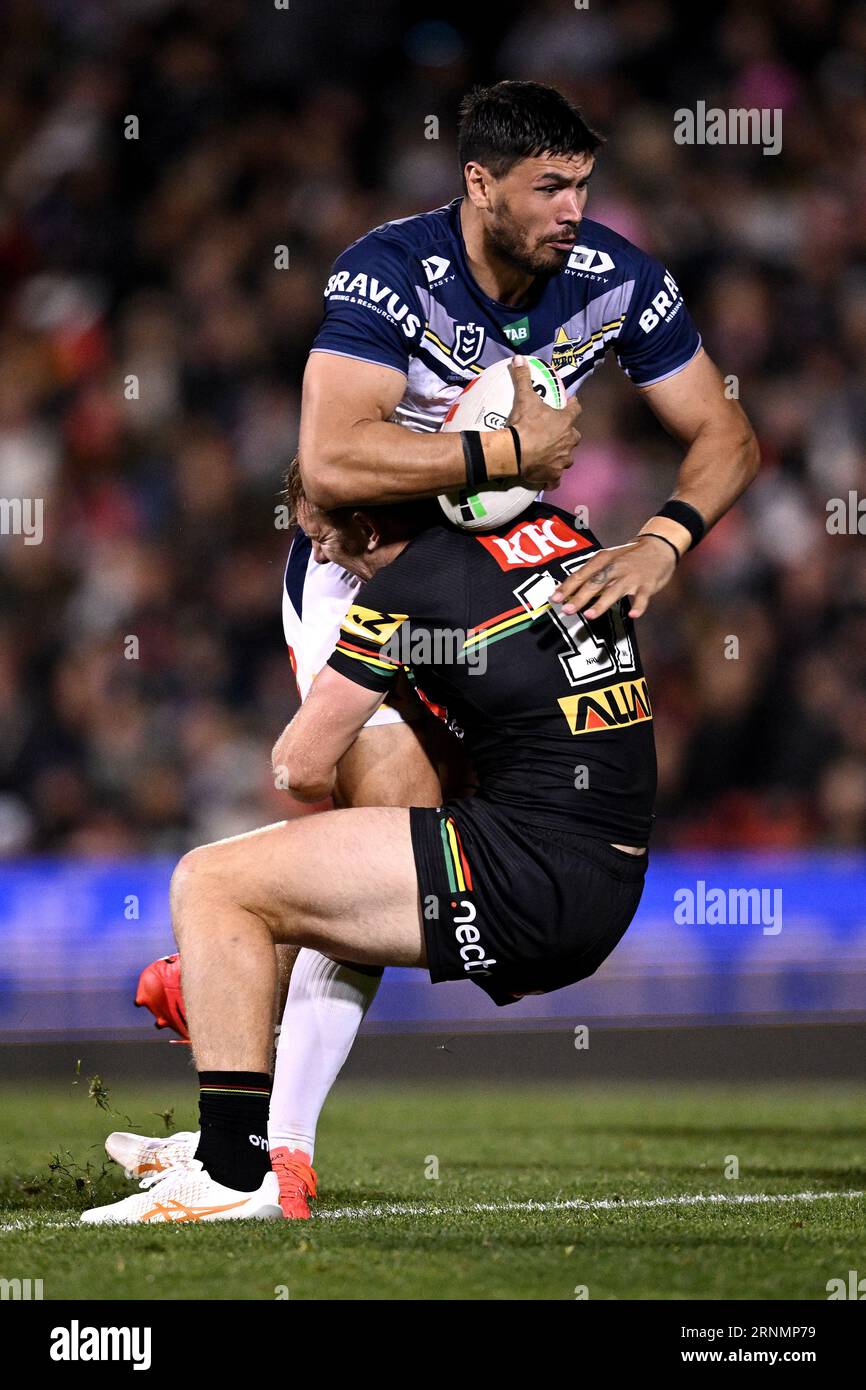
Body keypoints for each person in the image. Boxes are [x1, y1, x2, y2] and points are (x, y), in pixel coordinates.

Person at [100, 77, 759, 1219]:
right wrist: (504, 451)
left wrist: (662, 540)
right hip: (373, 588)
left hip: (494, 591)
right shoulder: (389, 271)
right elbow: (330, 467)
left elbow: (723, 433)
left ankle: (248, 1115)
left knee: (380, 860)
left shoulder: (616, 283)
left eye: (584, 184)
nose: (573, 208)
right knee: (389, 811)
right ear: (477, 183)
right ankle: (270, 1147)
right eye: (548, 186)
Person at [84, 460, 668, 1224]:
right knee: (333, 883)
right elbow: (500, 666)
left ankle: (236, 1168)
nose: (320, 557)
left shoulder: (405, 589)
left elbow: (299, 767)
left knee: (212, 883)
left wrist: (378, 660)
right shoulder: (563, 532)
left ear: (365, 526)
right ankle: (252, 1124)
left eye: (324, 538)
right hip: (609, 882)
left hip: (523, 873)